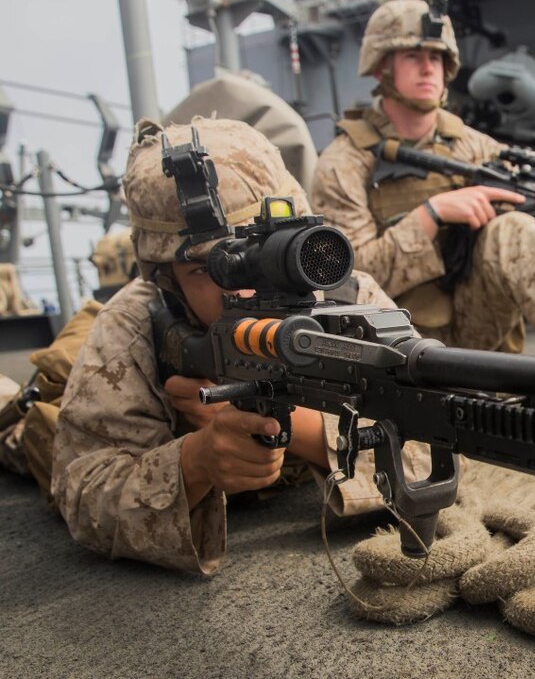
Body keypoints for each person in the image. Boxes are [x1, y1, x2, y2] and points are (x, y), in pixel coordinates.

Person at [52, 118, 433, 574]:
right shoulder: (134, 324)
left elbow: (432, 451)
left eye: (265, 253)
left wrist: (304, 431)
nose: (245, 290)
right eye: (206, 270)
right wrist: (194, 462)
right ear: (165, 277)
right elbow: (82, 494)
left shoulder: (347, 300)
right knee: (27, 423)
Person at [310, 0, 535, 365]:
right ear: (381, 68)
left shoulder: (477, 148)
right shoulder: (344, 162)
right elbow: (343, 283)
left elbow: (515, 242)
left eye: (436, 58)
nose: (428, 69)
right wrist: (429, 216)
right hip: (393, 344)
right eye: (413, 57)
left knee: (514, 228)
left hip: (477, 329)